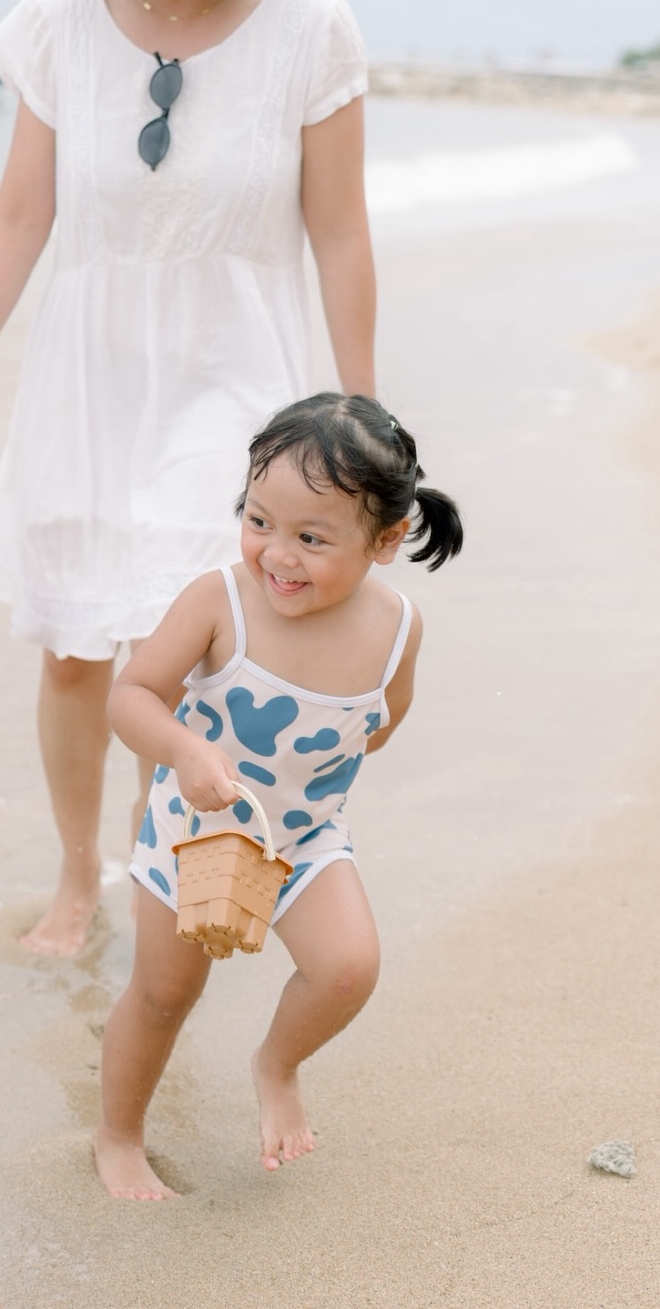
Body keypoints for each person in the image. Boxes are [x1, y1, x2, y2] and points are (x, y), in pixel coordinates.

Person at [0, 0, 376, 955]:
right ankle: (75, 878)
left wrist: (363, 418)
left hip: (242, 374)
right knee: (72, 652)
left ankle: (176, 878)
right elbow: (17, 219)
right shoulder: (56, 29)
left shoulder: (310, 25)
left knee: (194, 639)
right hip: (90, 379)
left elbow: (341, 229)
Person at [96, 393, 463, 1196]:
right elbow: (132, 697)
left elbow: (384, 719)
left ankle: (277, 1064)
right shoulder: (218, 602)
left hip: (303, 839)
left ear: (387, 540)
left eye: (311, 538)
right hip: (193, 833)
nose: (278, 555)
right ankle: (119, 1137)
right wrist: (186, 751)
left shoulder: (399, 627)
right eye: (257, 520)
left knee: (347, 969)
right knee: (165, 992)